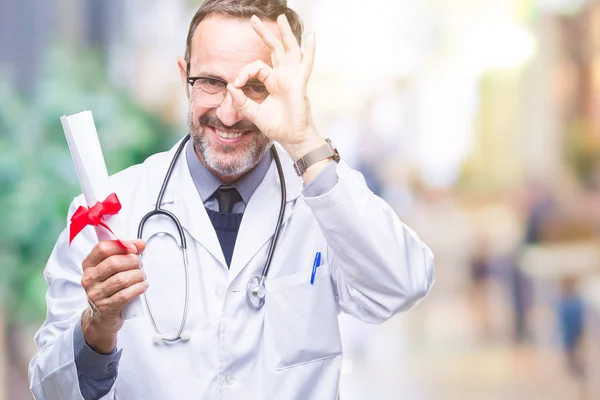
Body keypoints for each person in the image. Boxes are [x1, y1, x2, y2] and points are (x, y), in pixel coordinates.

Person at [28, 1, 435, 399]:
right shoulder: (110, 212)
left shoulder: (327, 202)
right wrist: (98, 325)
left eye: (254, 86)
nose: (227, 113)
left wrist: (304, 139)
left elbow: (403, 284)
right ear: (184, 74)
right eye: (210, 82)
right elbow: (50, 390)